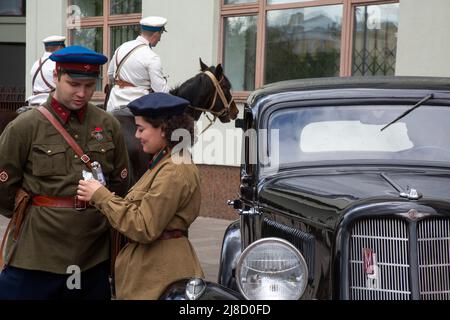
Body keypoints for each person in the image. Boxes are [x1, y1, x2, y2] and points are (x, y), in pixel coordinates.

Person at [0, 45, 130, 299]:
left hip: (91, 256)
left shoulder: (107, 124)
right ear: (57, 75)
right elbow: (3, 186)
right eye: (73, 84)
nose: (82, 93)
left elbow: (120, 183)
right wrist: (32, 212)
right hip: (36, 256)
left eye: (89, 85)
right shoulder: (26, 126)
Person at [77, 93, 204, 299]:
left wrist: (101, 196)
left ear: (164, 129)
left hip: (160, 274)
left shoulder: (173, 170)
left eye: (141, 129)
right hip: (152, 270)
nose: (137, 136)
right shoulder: (163, 163)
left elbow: (144, 226)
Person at [106, 16, 170, 112]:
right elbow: (161, 90)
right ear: (156, 34)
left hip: (114, 105)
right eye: (161, 34)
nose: (160, 39)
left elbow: (110, 74)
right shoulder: (152, 57)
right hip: (137, 109)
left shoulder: (121, 47)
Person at [26, 35, 66, 107]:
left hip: (33, 102)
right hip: (50, 104)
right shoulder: (57, 63)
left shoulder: (36, 63)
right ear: (60, 47)